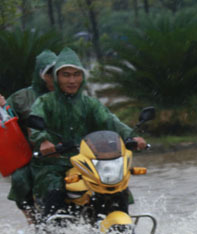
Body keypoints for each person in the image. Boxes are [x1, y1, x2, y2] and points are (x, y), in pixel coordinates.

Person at [28, 47, 146, 220]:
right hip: (54, 163)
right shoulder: (44, 102)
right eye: (66, 75)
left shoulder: (90, 103)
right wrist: (44, 141)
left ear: (82, 77)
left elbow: (110, 121)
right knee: (54, 190)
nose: (72, 80)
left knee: (119, 189)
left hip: (89, 163)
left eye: (76, 74)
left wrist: (131, 136)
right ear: (56, 77)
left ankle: (122, 229)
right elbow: (36, 122)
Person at [5, 49, 57, 223]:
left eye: (57, 73)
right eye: (49, 73)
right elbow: (6, 120)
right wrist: (2, 108)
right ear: (40, 74)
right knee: (21, 179)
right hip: (33, 155)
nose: (54, 78)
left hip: (68, 150)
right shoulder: (20, 98)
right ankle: (34, 222)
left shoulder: (71, 96)